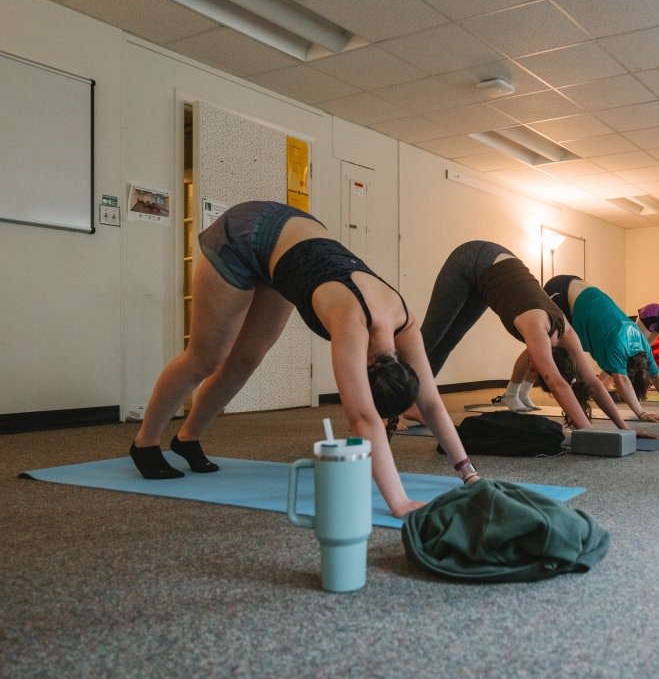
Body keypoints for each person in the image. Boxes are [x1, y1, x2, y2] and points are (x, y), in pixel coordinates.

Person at [129, 201, 478, 517]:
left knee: (245, 360)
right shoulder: (351, 321)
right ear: (368, 370)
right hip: (244, 235)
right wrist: (399, 502)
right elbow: (361, 418)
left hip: (290, 246)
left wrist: (468, 473)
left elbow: (430, 402)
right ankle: (145, 443)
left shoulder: (405, 319)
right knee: (206, 358)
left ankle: (187, 440)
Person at [410, 241, 659, 438]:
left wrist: (624, 428)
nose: (532, 370)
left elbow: (592, 383)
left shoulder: (567, 333)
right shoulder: (538, 330)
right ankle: (385, 408)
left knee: (448, 341)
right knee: (426, 341)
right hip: (473, 258)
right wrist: (588, 432)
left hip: (494, 270)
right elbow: (559, 385)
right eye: (538, 371)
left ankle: (412, 404)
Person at [544, 276, 659, 423]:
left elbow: (657, 376)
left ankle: (522, 390)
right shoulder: (617, 346)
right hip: (561, 291)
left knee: (565, 347)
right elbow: (621, 379)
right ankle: (522, 390)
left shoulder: (643, 347)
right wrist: (641, 413)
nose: (617, 386)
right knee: (550, 343)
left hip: (581, 290)